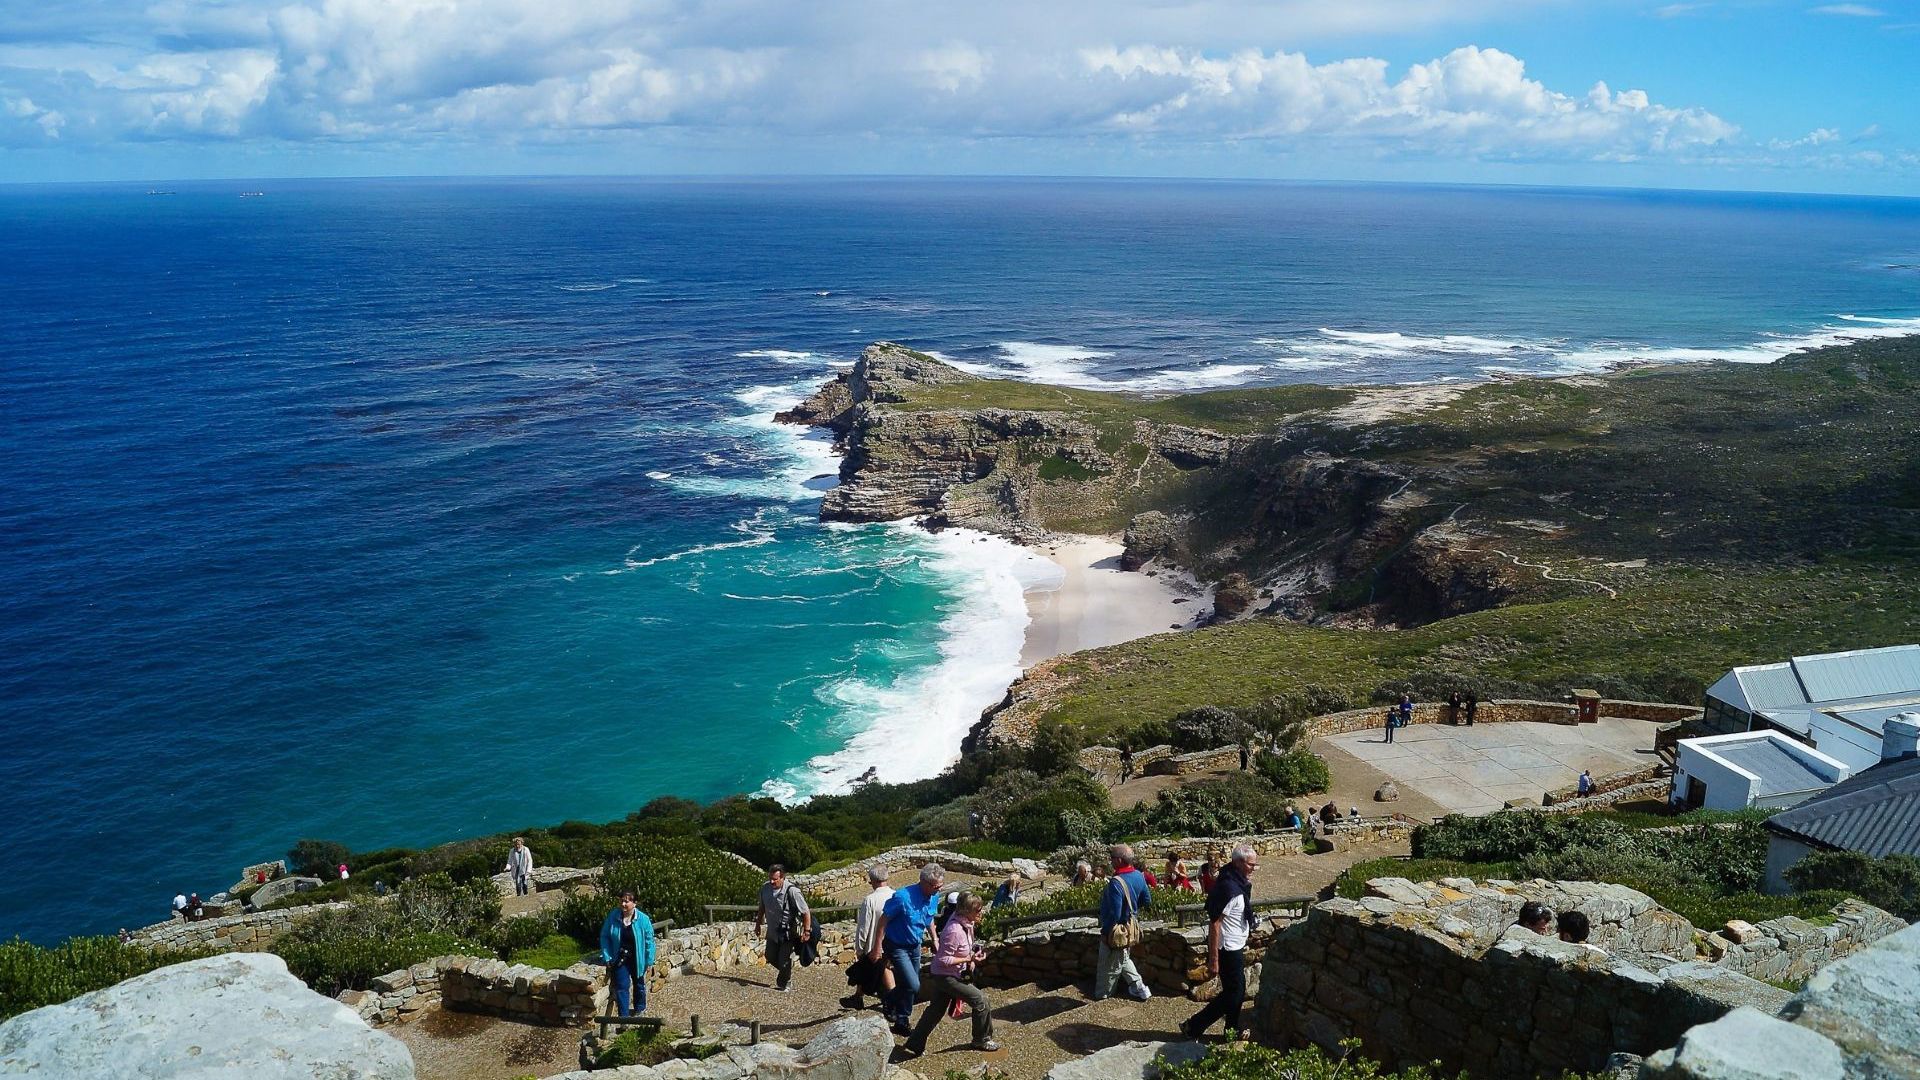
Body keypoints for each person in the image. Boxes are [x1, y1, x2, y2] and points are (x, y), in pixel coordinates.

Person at [900, 892, 999, 1056]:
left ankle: (915, 1043)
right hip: (947, 976)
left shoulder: (966, 923)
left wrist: (973, 954)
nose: (980, 913)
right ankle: (982, 1039)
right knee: (981, 1001)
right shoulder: (954, 930)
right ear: (966, 911)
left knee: (936, 1010)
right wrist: (969, 958)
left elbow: (963, 947)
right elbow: (944, 959)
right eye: (977, 910)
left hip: (948, 973)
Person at [1182, 845, 1258, 1041]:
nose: (1253, 869)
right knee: (1235, 993)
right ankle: (1194, 1025)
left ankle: (1230, 1030)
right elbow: (1215, 923)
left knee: (1236, 991)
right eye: (1251, 865)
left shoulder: (1235, 882)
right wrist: (1213, 959)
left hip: (1235, 946)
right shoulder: (1229, 888)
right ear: (1238, 863)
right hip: (1227, 948)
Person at [1093, 844, 1153, 1002]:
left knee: (1108, 966)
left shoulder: (1116, 882)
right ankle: (1139, 987)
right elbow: (1147, 900)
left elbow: (1115, 913)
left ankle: (1103, 996)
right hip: (1130, 926)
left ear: (1119, 860)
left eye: (1112, 858)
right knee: (1123, 958)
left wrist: (1106, 933)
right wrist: (1132, 910)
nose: (1110, 861)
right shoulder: (1139, 876)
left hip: (1116, 929)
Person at [842, 865, 894, 1011]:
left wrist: (859, 947)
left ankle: (892, 1003)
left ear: (872, 880)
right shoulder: (896, 895)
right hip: (892, 942)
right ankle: (858, 997)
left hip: (874, 944)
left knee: (882, 970)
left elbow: (864, 926)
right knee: (877, 970)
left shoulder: (870, 900)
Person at [753, 864, 811, 993]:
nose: (772, 882)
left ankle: (786, 980)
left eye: (775, 879)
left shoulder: (792, 891)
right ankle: (785, 973)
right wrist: (758, 924)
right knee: (770, 955)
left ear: (783, 878)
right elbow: (762, 908)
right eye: (771, 879)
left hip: (788, 932)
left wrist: (807, 931)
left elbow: (806, 911)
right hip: (772, 930)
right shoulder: (765, 888)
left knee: (783, 959)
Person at [598, 890, 655, 1016]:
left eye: (626, 901)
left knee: (639, 985)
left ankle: (640, 1009)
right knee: (622, 987)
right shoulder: (613, 916)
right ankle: (624, 1018)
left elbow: (649, 941)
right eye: (622, 901)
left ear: (634, 903)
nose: (623, 904)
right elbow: (605, 936)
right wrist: (607, 956)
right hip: (620, 958)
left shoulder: (643, 920)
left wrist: (649, 960)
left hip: (637, 958)